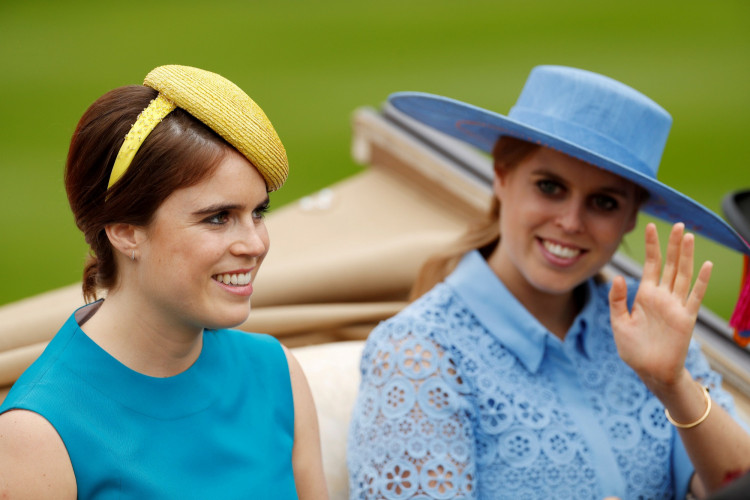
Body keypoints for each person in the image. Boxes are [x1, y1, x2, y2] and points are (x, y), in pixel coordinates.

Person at [347, 65, 750, 499]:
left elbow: (735, 484)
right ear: (501, 176)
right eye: (549, 187)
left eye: (603, 202)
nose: (571, 222)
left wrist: (674, 385)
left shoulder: (650, 321)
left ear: (632, 216)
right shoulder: (417, 354)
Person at [0, 65, 328, 499]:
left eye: (258, 213)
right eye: (218, 217)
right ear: (124, 231)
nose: (255, 244)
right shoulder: (35, 436)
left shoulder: (276, 373)